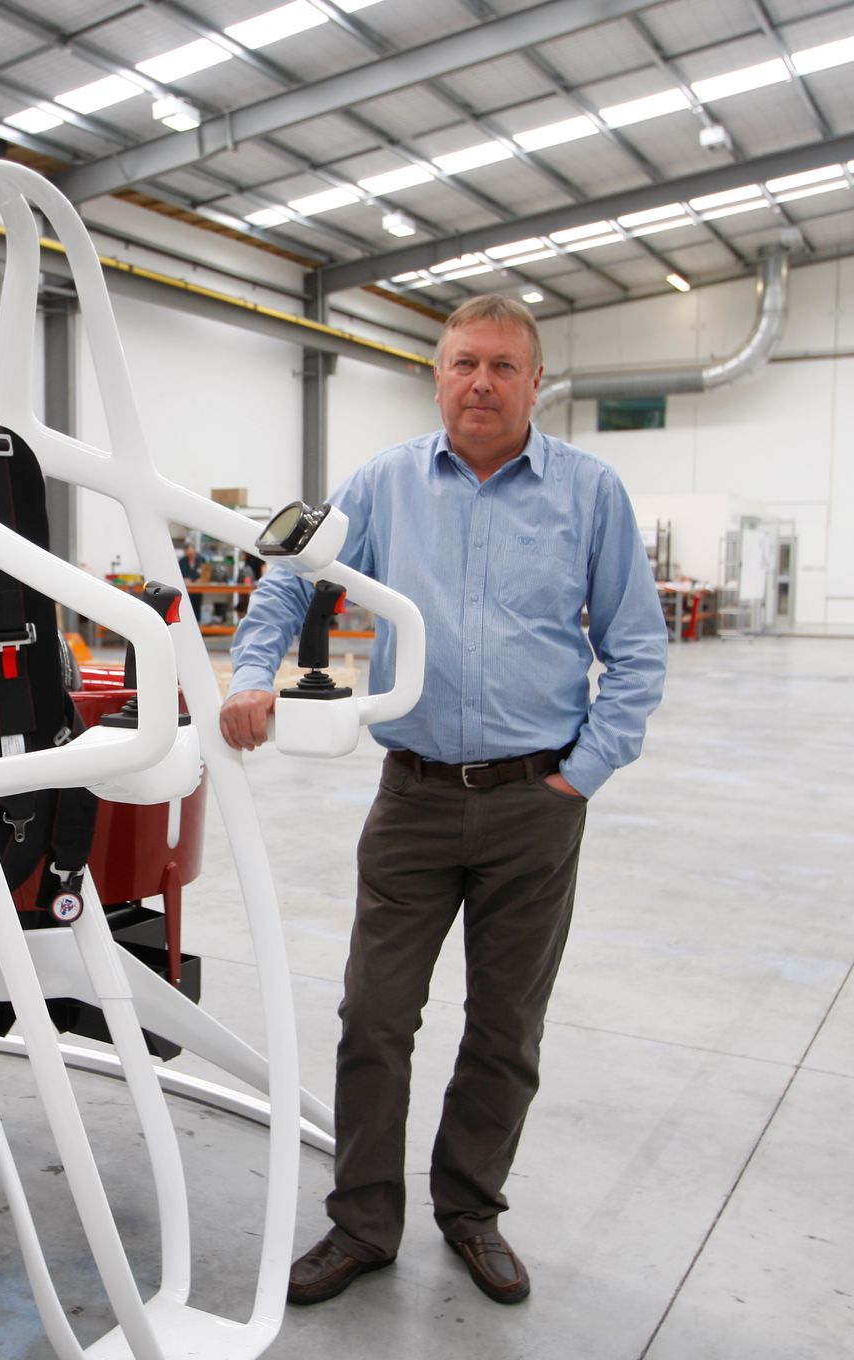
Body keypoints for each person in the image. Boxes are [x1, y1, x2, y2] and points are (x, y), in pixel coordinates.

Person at [220, 294, 667, 1310]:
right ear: (437, 374)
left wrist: (579, 777)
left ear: (535, 382)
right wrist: (253, 674)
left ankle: (471, 1209)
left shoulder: (591, 493)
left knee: (506, 1028)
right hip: (413, 798)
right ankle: (363, 1223)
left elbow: (636, 649)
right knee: (375, 1015)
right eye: (465, 362)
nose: (481, 382)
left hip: (534, 803)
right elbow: (290, 575)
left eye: (504, 366)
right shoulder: (383, 483)